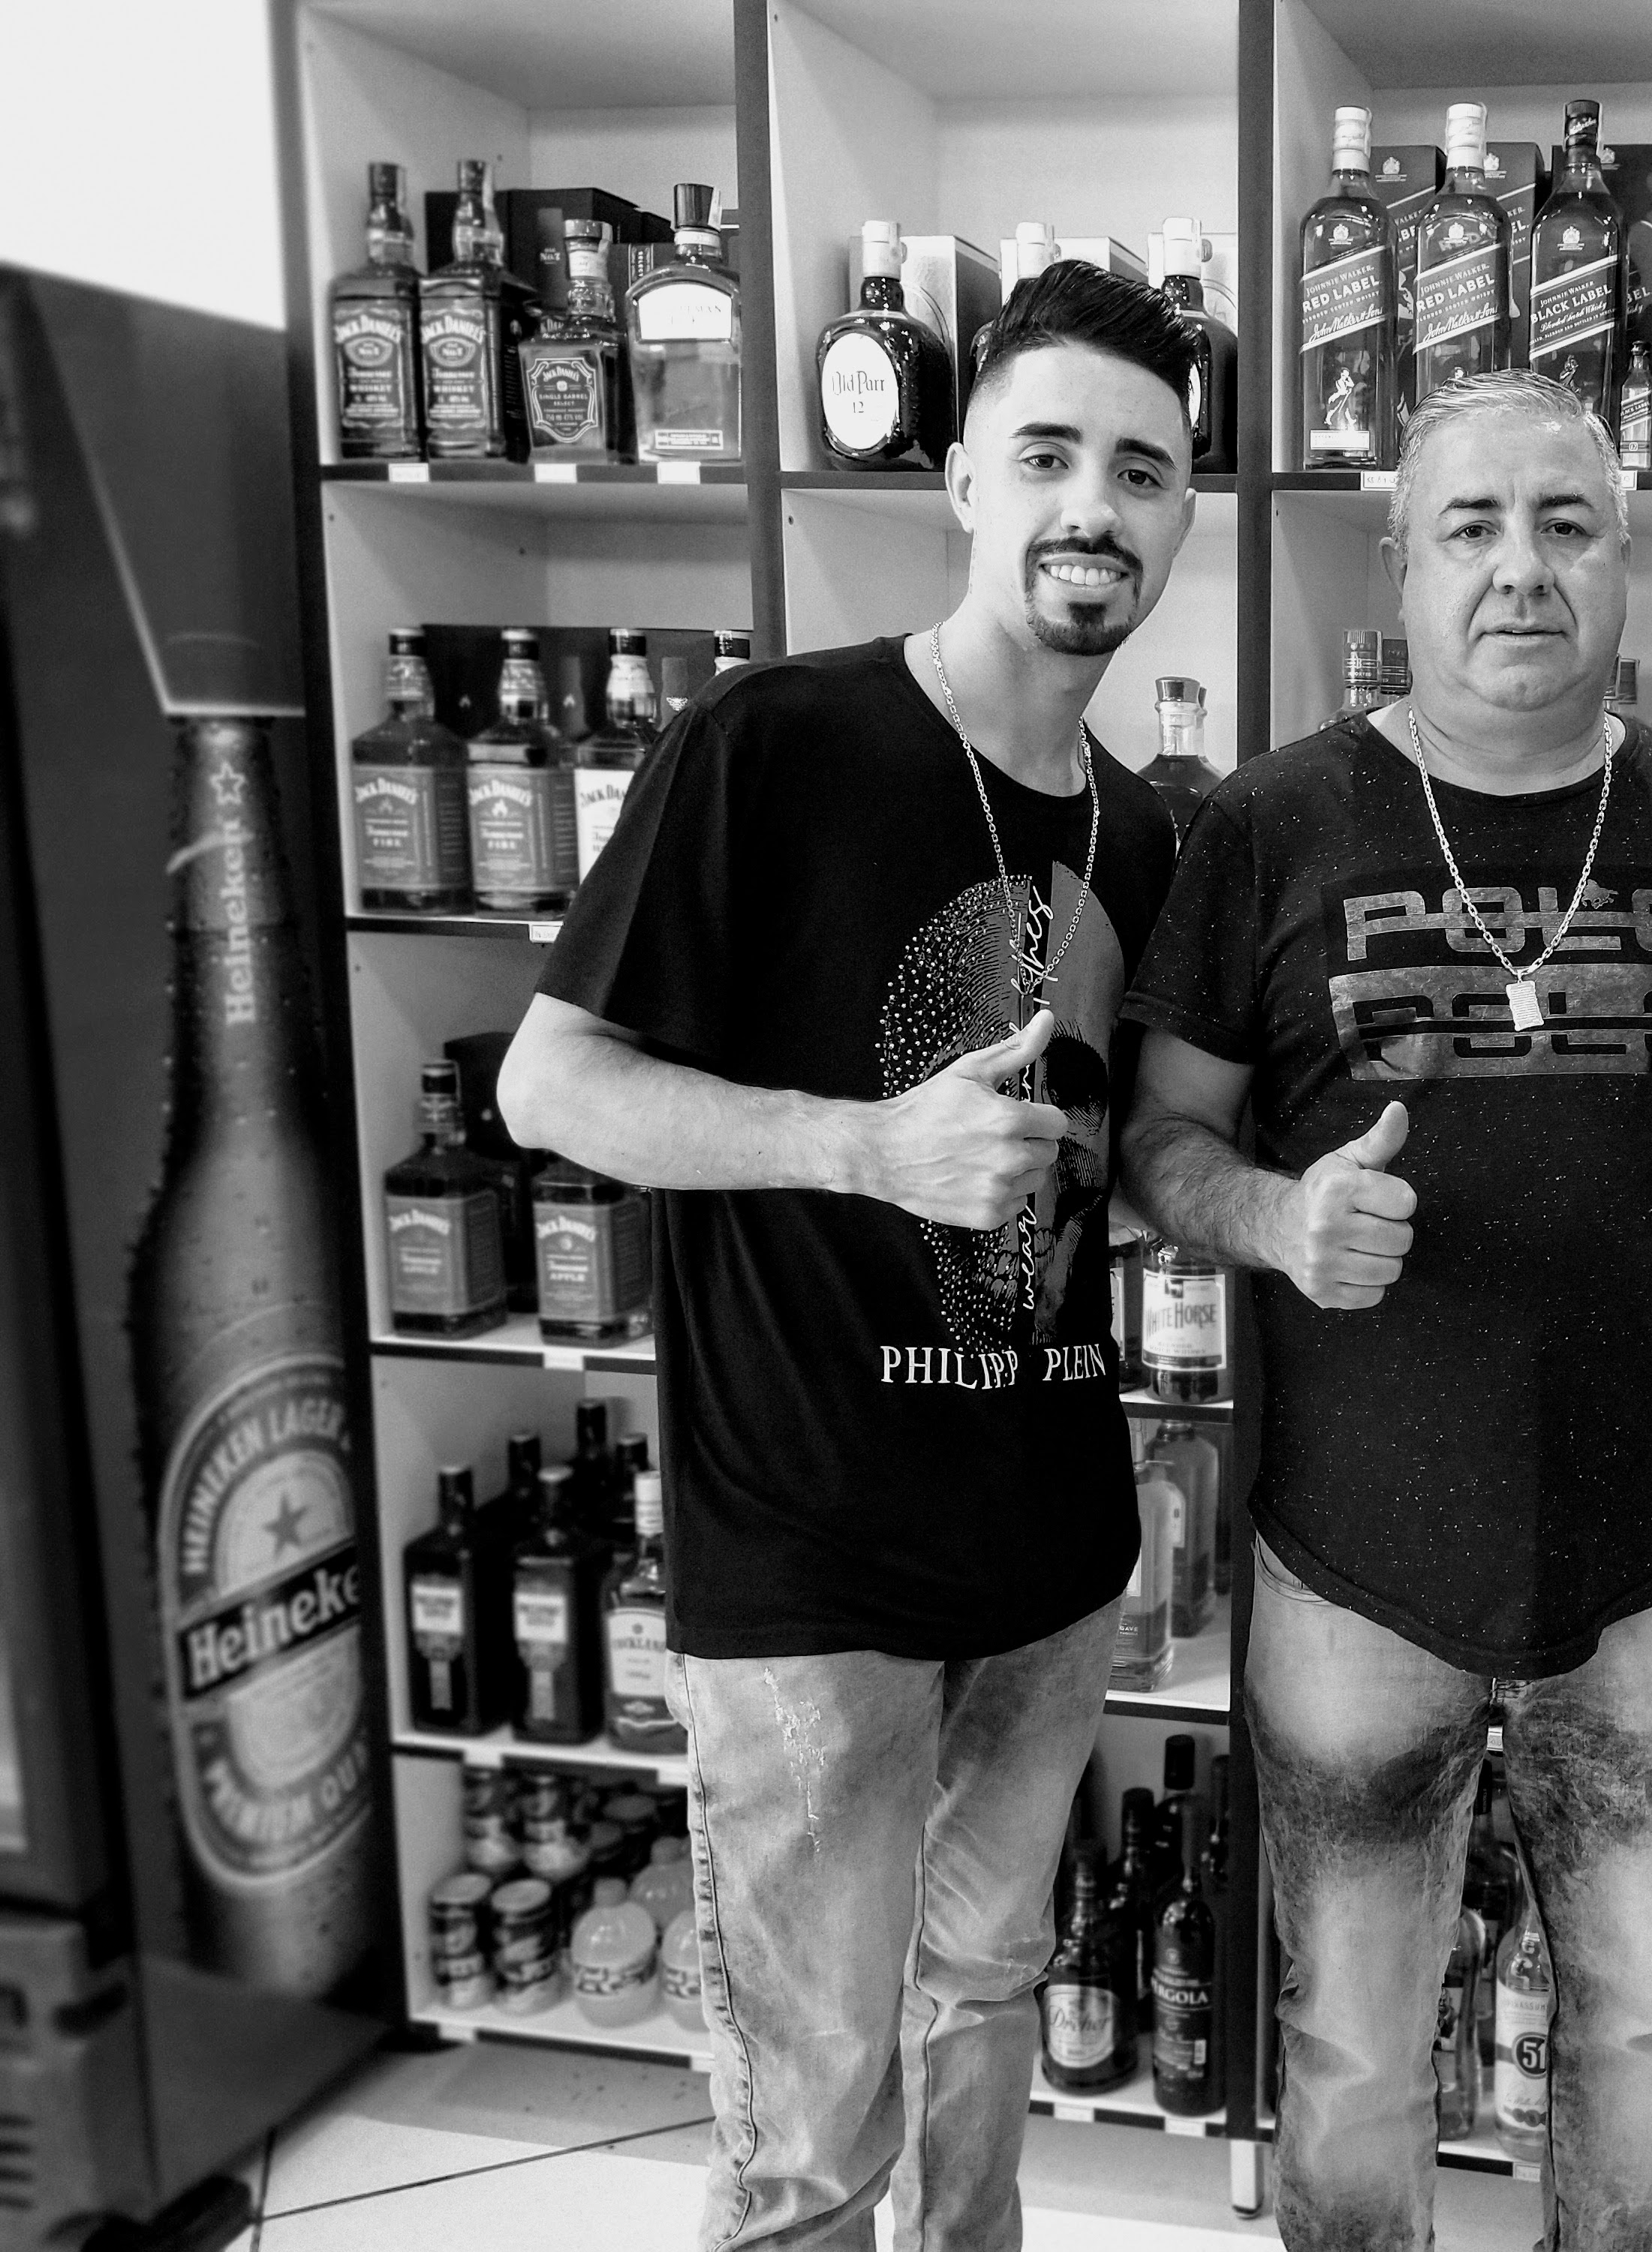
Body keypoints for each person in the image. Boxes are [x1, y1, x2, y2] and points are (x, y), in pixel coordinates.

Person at [494, 261, 1199, 2252]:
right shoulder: (775, 740)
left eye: (1141, 471)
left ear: (1182, 520)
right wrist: (866, 1150)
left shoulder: (1145, 837)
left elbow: (1120, 1172)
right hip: (811, 1570)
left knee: (984, 2019)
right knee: (808, 2131)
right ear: (961, 478)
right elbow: (552, 1088)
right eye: (1046, 453)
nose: (1092, 505)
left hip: (1048, 1557)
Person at [1118, 369, 1652, 2248]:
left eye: (1563, 522)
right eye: (1470, 525)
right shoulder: (1272, 824)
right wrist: (1277, 1218)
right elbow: (1160, 1139)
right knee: (1352, 2048)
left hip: (1644, 1561)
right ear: (1402, 562)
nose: (1519, 566)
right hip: (1350, 1569)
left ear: (1623, 559)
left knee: (1640, 2026)